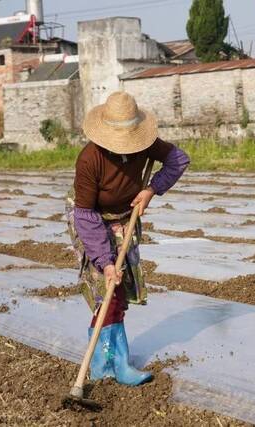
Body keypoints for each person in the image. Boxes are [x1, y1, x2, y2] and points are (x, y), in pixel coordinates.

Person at [66, 91, 190, 385]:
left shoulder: (146, 145)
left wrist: (151, 190)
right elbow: (85, 214)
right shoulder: (89, 160)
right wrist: (105, 261)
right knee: (106, 286)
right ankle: (105, 364)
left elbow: (178, 161)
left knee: (120, 288)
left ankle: (114, 363)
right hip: (91, 217)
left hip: (124, 215)